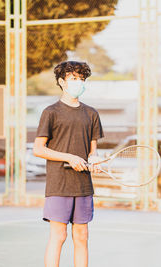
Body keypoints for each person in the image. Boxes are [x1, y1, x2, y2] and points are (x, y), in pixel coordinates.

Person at [33, 61, 104, 267]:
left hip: (83, 185)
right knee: (59, 235)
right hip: (59, 184)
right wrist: (68, 157)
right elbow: (39, 149)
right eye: (73, 78)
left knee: (81, 236)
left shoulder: (91, 114)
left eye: (81, 79)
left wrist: (94, 159)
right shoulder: (50, 112)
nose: (78, 83)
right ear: (62, 82)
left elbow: (92, 151)